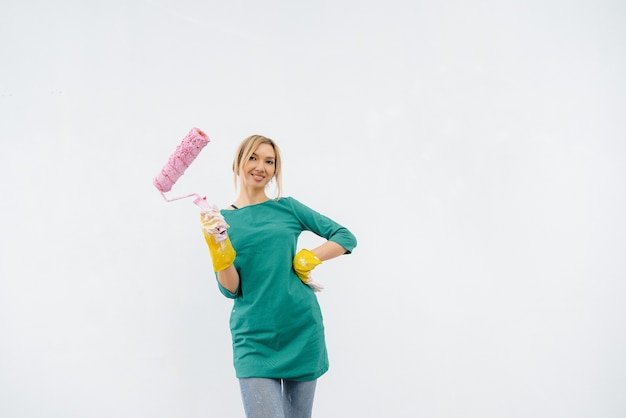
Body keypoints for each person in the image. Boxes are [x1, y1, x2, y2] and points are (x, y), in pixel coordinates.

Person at [199, 134, 357, 418]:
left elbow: (345, 237)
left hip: (300, 330)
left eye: (269, 161)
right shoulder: (221, 221)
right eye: (253, 158)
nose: (261, 166)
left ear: (275, 169)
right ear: (238, 163)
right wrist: (219, 246)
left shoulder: (288, 208)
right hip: (254, 338)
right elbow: (231, 289)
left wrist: (309, 257)